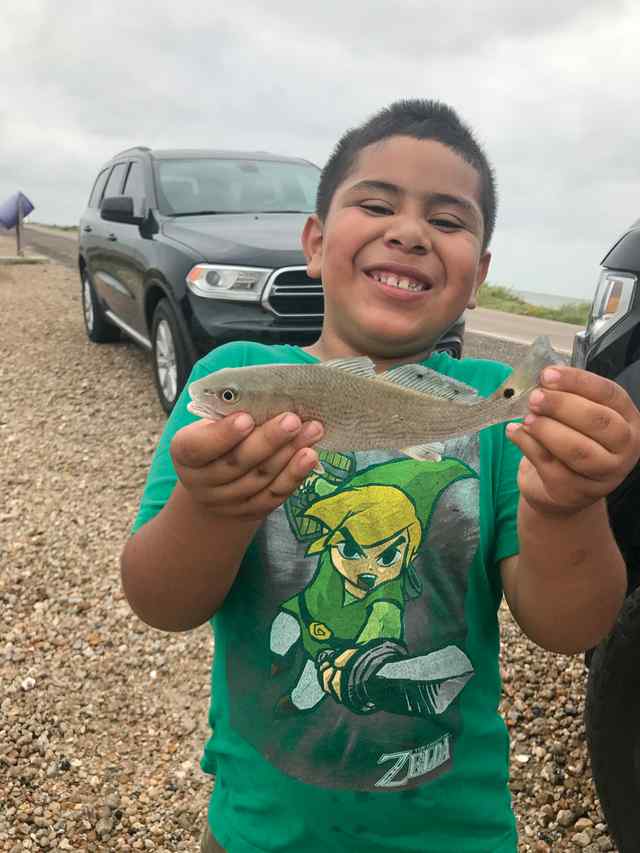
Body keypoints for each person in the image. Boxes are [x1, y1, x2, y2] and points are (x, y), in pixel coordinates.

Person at [120, 99, 640, 853]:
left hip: (456, 832)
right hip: (259, 830)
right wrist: (213, 508)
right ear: (314, 241)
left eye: (450, 220)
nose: (409, 231)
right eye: (375, 204)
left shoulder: (491, 406)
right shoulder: (229, 376)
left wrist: (569, 504)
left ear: (479, 276)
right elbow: (159, 599)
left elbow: (572, 626)